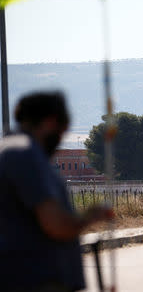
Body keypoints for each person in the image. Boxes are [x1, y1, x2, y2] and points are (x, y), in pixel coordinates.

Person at [0, 91, 113, 292]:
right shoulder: (26, 154)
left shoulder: (8, 148)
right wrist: (91, 217)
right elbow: (55, 225)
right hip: (36, 280)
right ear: (52, 122)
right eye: (62, 131)